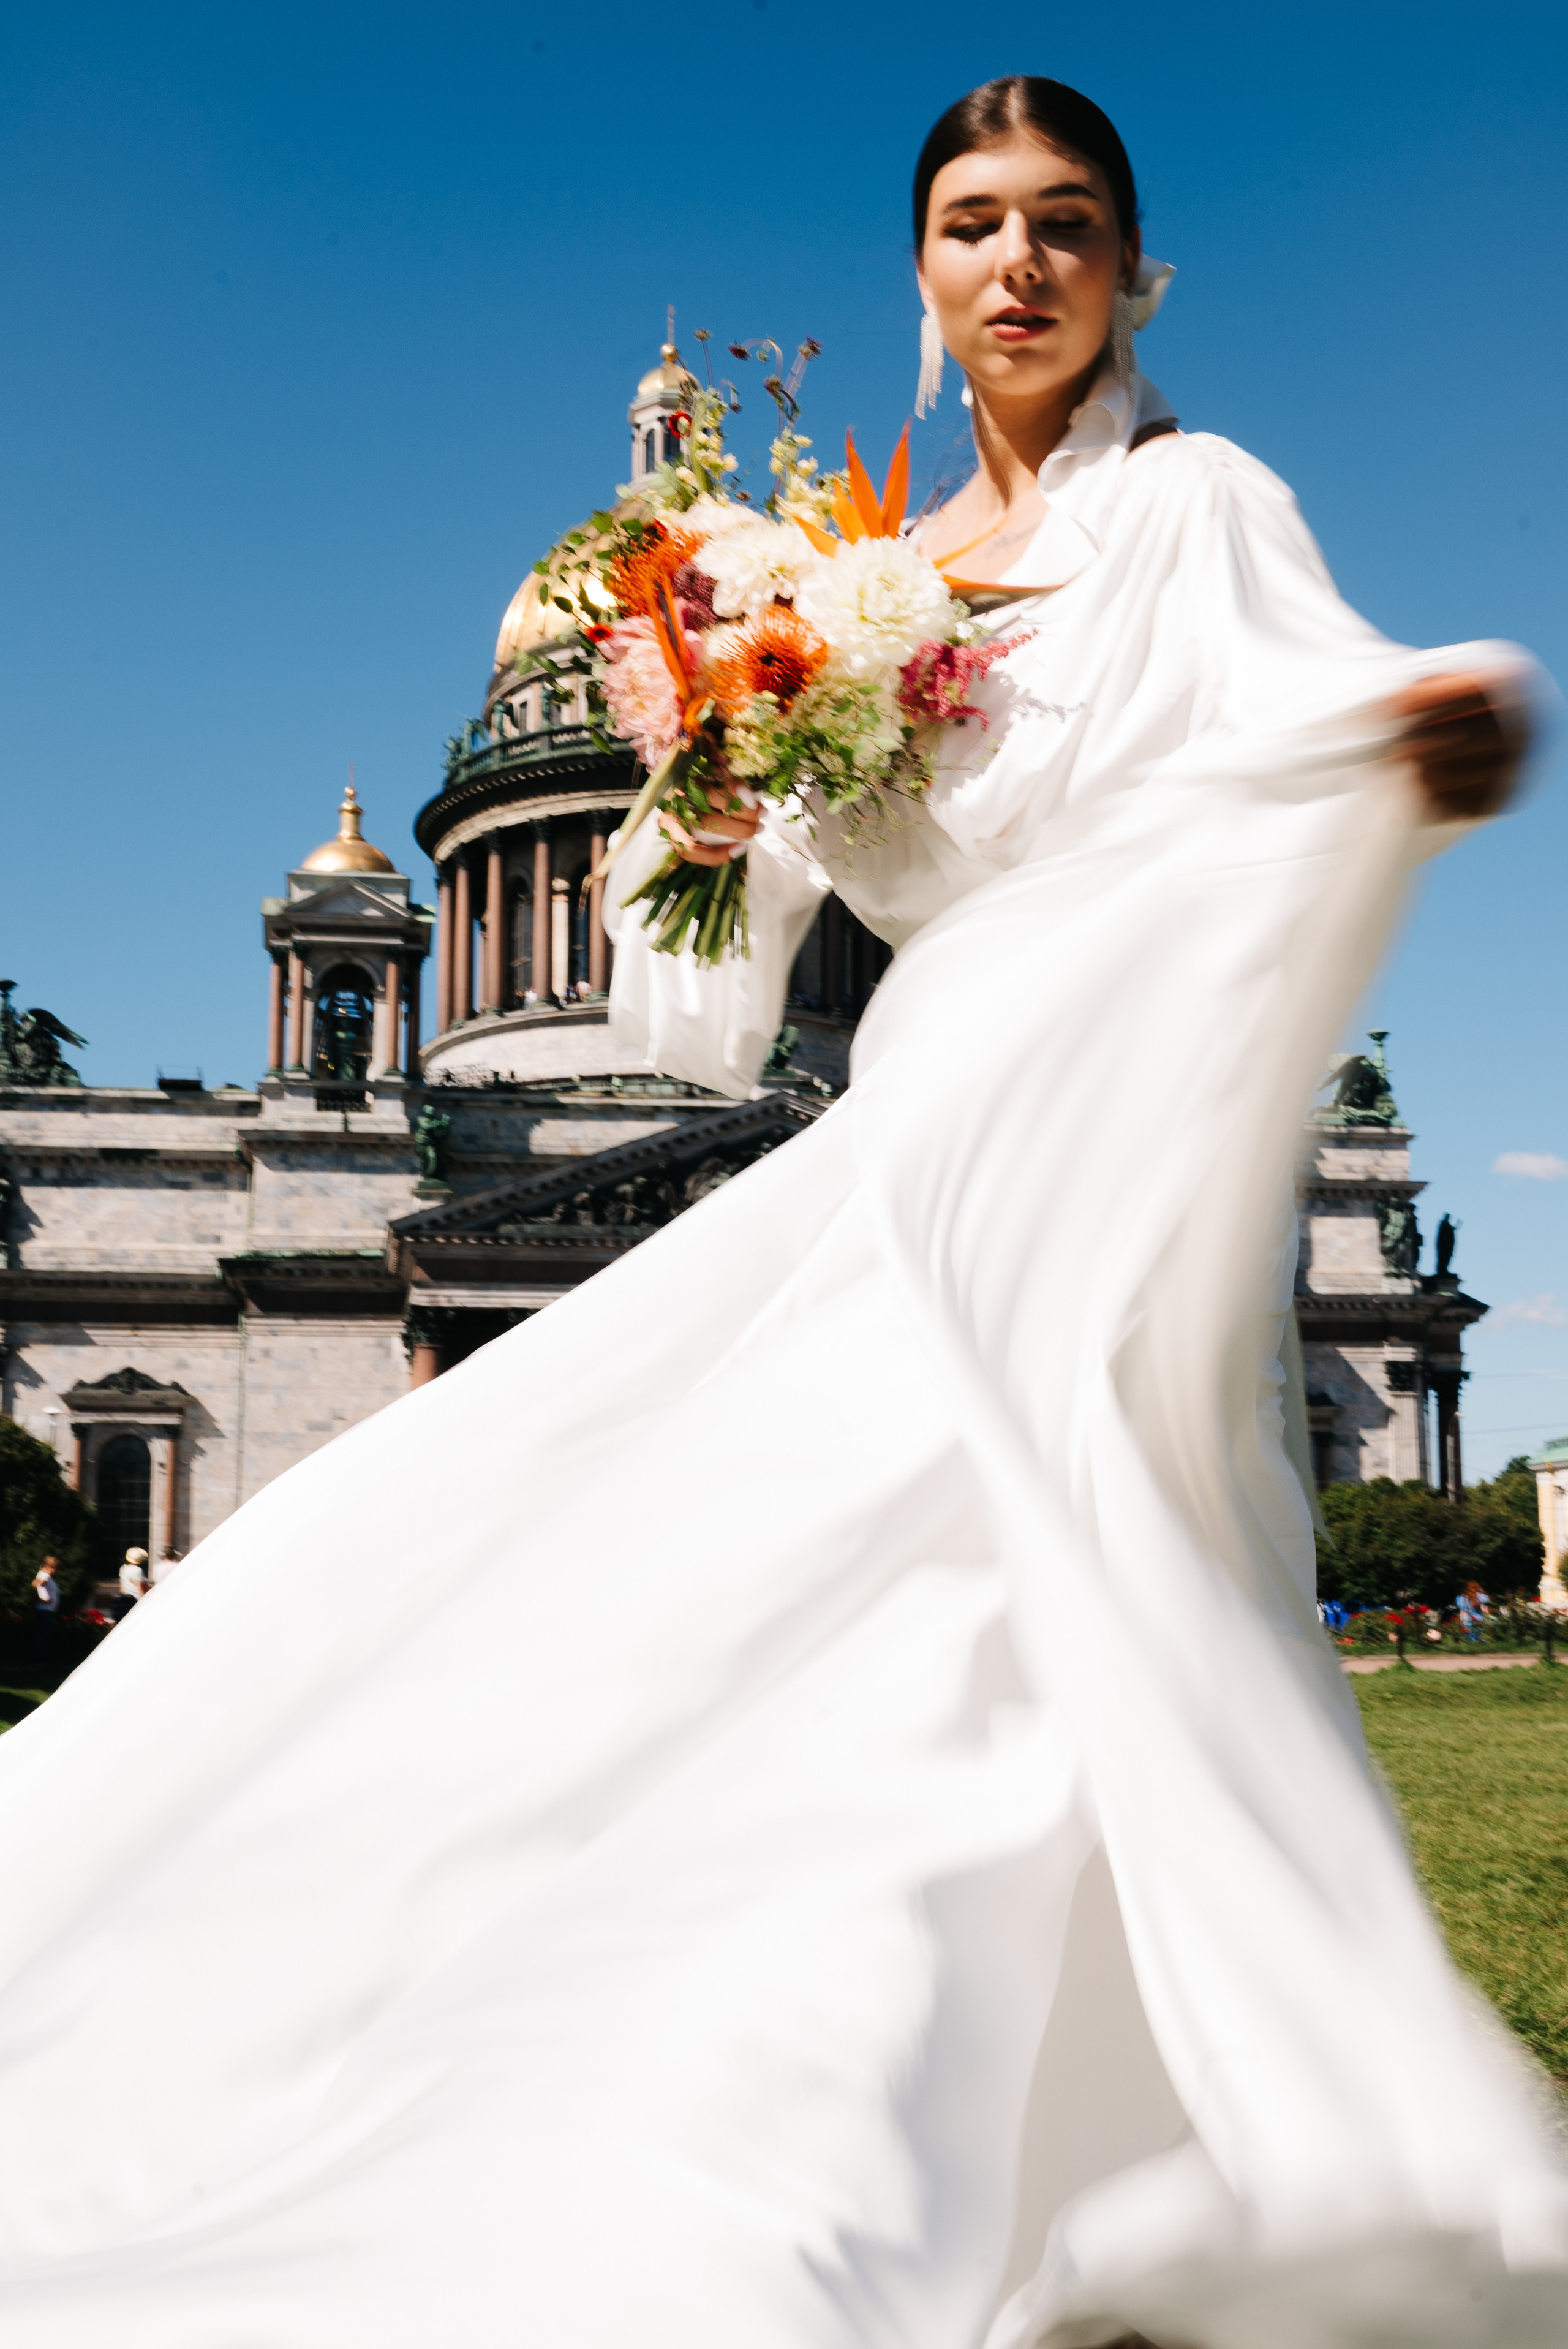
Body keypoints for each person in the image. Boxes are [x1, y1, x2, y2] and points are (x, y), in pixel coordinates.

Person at [0, 72, 1561, 2349]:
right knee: (889, 1590)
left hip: (1102, 1103)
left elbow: (1303, 705)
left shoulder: (1200, 503)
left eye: (1062, 220)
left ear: (1131, 269)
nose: (1015, 261)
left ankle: (988, 2133)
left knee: (1026, 1579)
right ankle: (787, 2142)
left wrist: (1416, 729)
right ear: (919, 274)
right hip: (914, 1111)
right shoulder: (833, 578)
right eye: (970, 222)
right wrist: (720, 785)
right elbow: (707, 995)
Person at [25, 1558, 59, 1678]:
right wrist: (43, 1598)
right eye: (51, 1567)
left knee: (43, 1637)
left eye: (54, 1568)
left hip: (48, 1610)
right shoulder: (44, 1575)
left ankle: (38, 1663)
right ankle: (37, 1664)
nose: (53, 1570)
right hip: (45, 1611)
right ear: (46, 1566)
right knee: (42, 1638)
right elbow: (36, 1584)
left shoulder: (46, 1575)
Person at [113, 1546, 149, 1619]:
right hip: (135, 1600)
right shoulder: (138, 1570)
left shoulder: (123, 1568)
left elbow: (122, 1586)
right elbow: (140, 1588)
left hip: (125, 1598)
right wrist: (143, 1602)